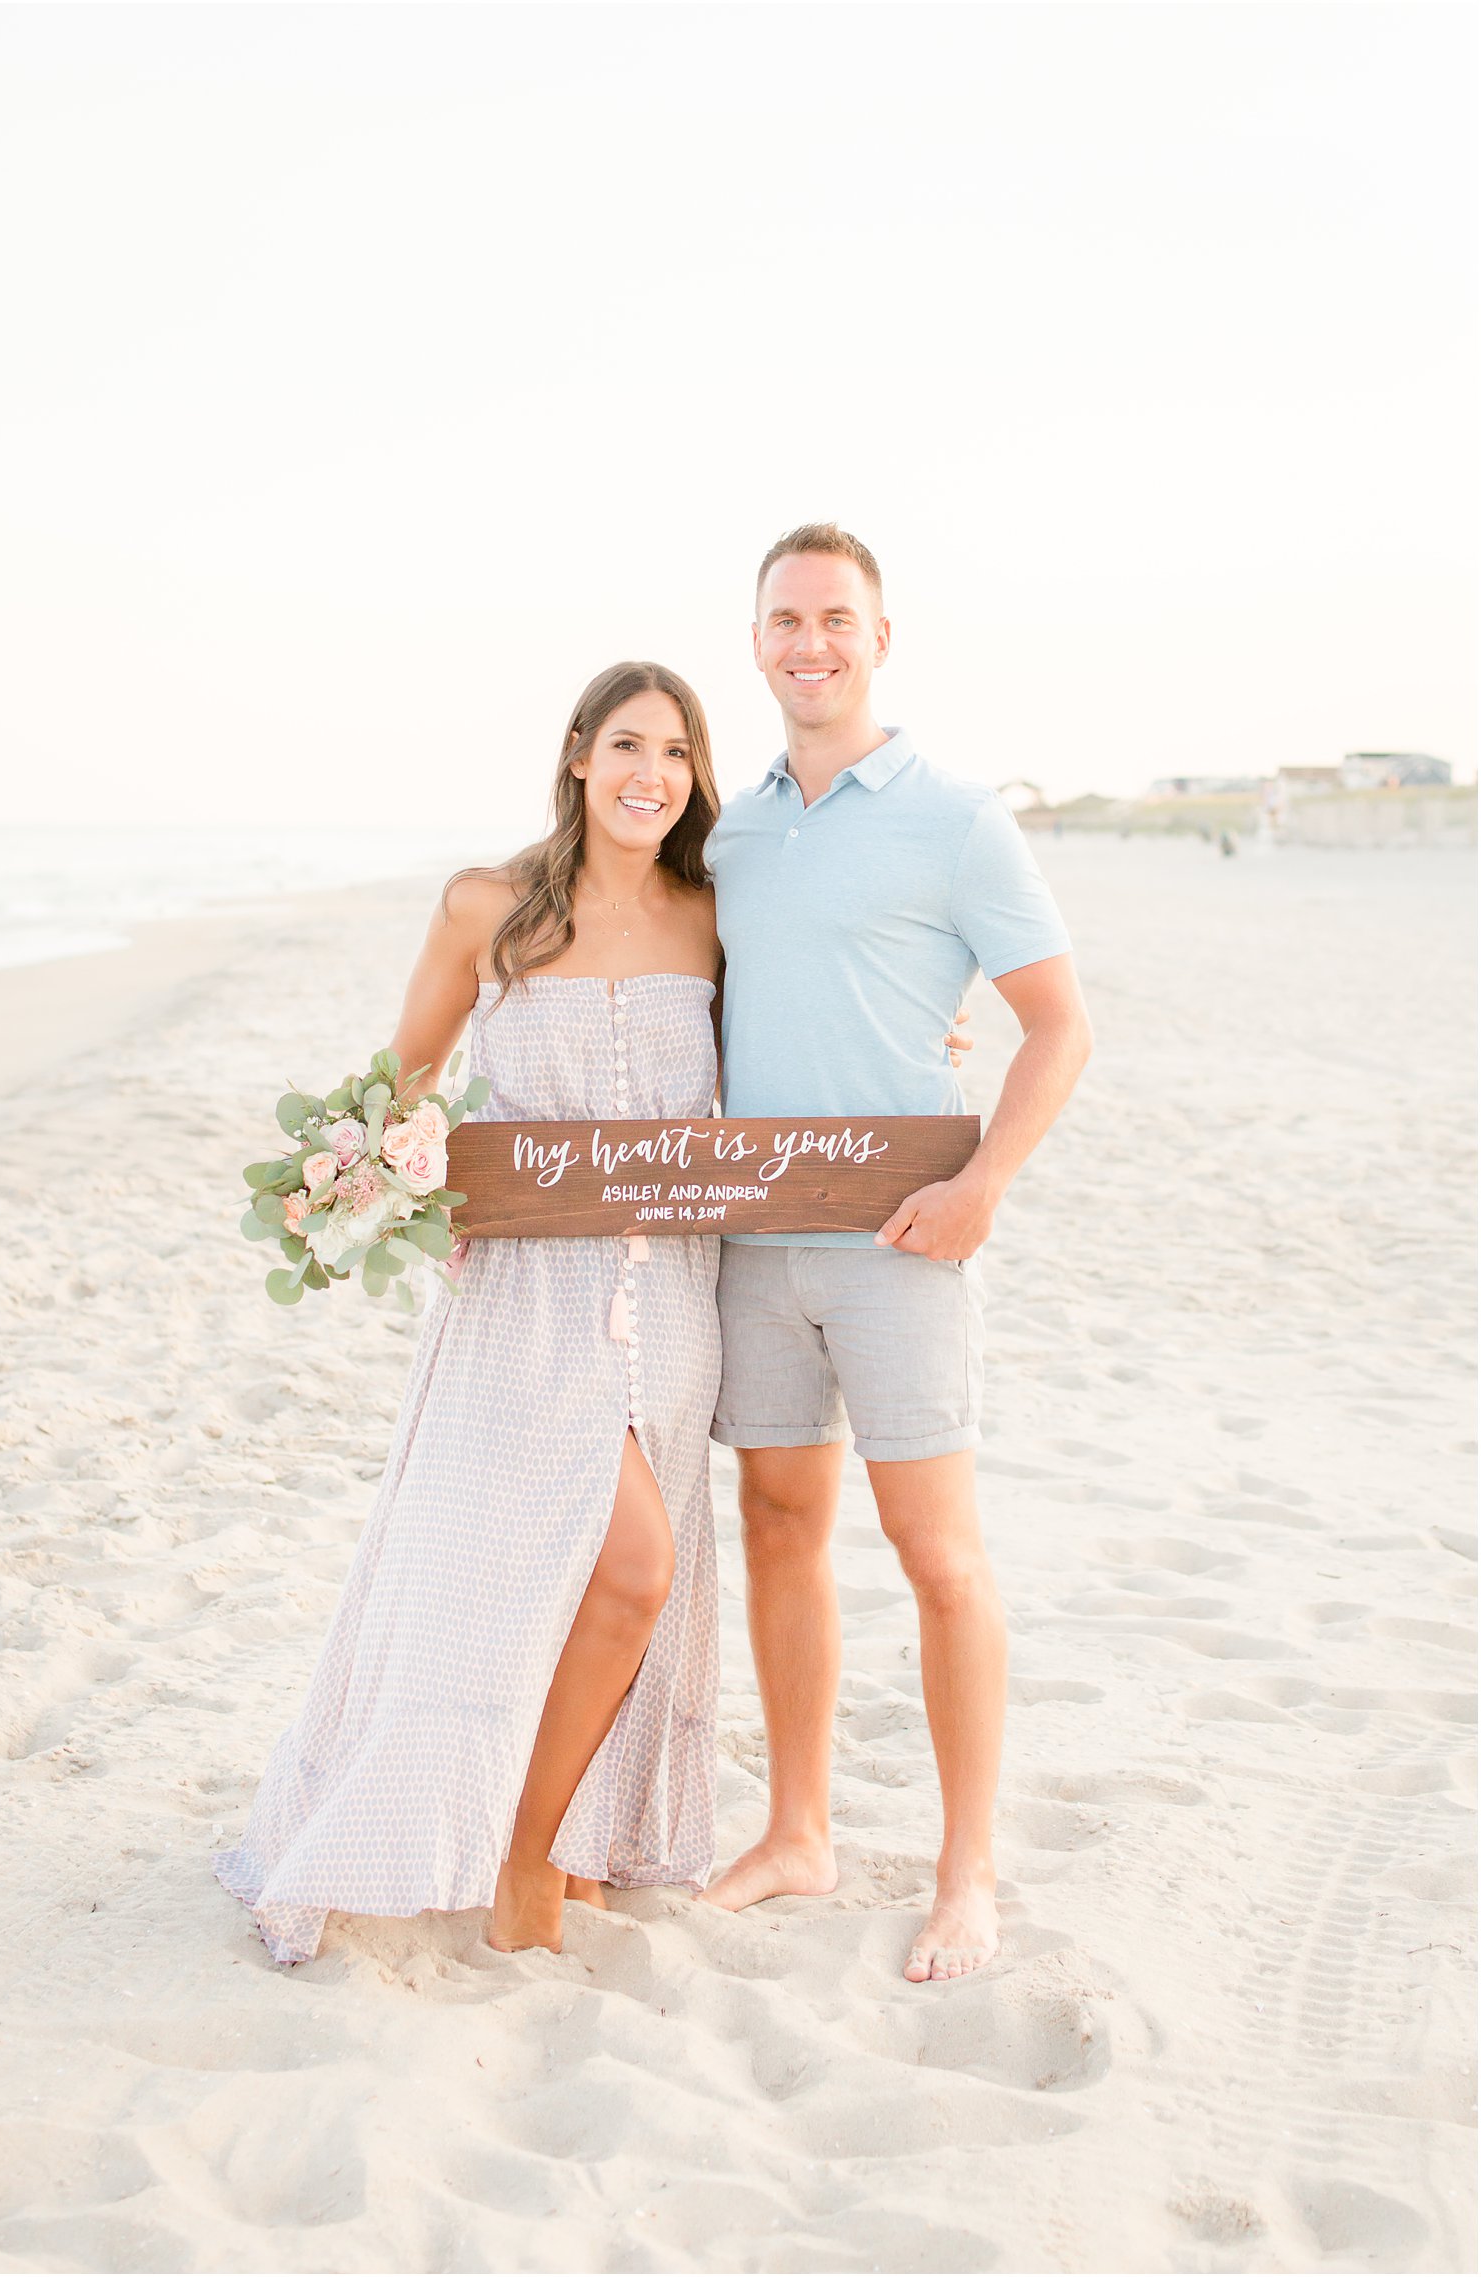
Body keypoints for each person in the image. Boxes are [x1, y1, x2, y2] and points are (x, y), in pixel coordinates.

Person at [216, 661, 728, 1963]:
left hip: (669, 1291)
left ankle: (569, 1834)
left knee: (619, 1581)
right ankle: (523, 1862)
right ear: (575, 756)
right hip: (520, 1293)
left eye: (673, 751)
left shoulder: (714, 918)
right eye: (625, 744)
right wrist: (349, 1178)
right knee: (614, 1563)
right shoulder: (485, 908)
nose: (648, 774)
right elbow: (405, 1077)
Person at [702, 524, 1093, 1984]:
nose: (811, 643)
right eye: (786, 619)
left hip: (903, 1240)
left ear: (879, 638)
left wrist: (987, 1179)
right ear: (756, 643)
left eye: (837, 620)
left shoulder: (955, 817)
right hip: (751, 1246)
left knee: (940, 1560)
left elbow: (1060, 1021)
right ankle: (799, 1828)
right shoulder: (727, 831)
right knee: (782, 1533)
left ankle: (966, 1870)